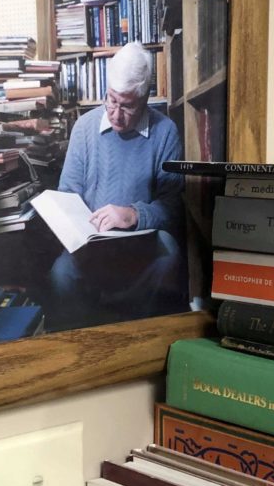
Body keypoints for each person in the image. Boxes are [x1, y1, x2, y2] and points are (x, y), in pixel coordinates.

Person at [48, 41, 186, 326]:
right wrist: (79, 230)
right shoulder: (85, 128)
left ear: (145, 98)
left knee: (169, 251)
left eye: (127, 105)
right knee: (60, 272)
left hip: (141, 247)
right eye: (110, 100)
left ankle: (141, 342)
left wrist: (133, 215)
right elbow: (67, 195)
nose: (115, 113)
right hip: (91, 248)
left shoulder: (165, 132)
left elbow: (172, 207)